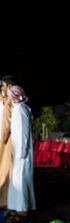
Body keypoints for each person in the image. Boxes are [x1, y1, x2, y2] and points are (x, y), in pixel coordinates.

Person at [6, 86, 36, 223]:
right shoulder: (18, 110)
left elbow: (23, 134)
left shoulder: (20, 110)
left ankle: (23, 211)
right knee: (16, 182)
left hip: (22, 154)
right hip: (18, 152)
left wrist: (22, 153)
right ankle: (16, 207)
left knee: (22, 182)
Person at [0, 75, 16, 212]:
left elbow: (14, 119)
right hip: (4, 141)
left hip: (8, 141)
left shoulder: (12, 100)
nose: (2, 88)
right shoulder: (6, 100)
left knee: (8, 170)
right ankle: (4, 200)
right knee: (3, 171)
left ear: (10, 87)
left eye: (4, 86)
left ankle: (9, 202)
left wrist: (5, 135)